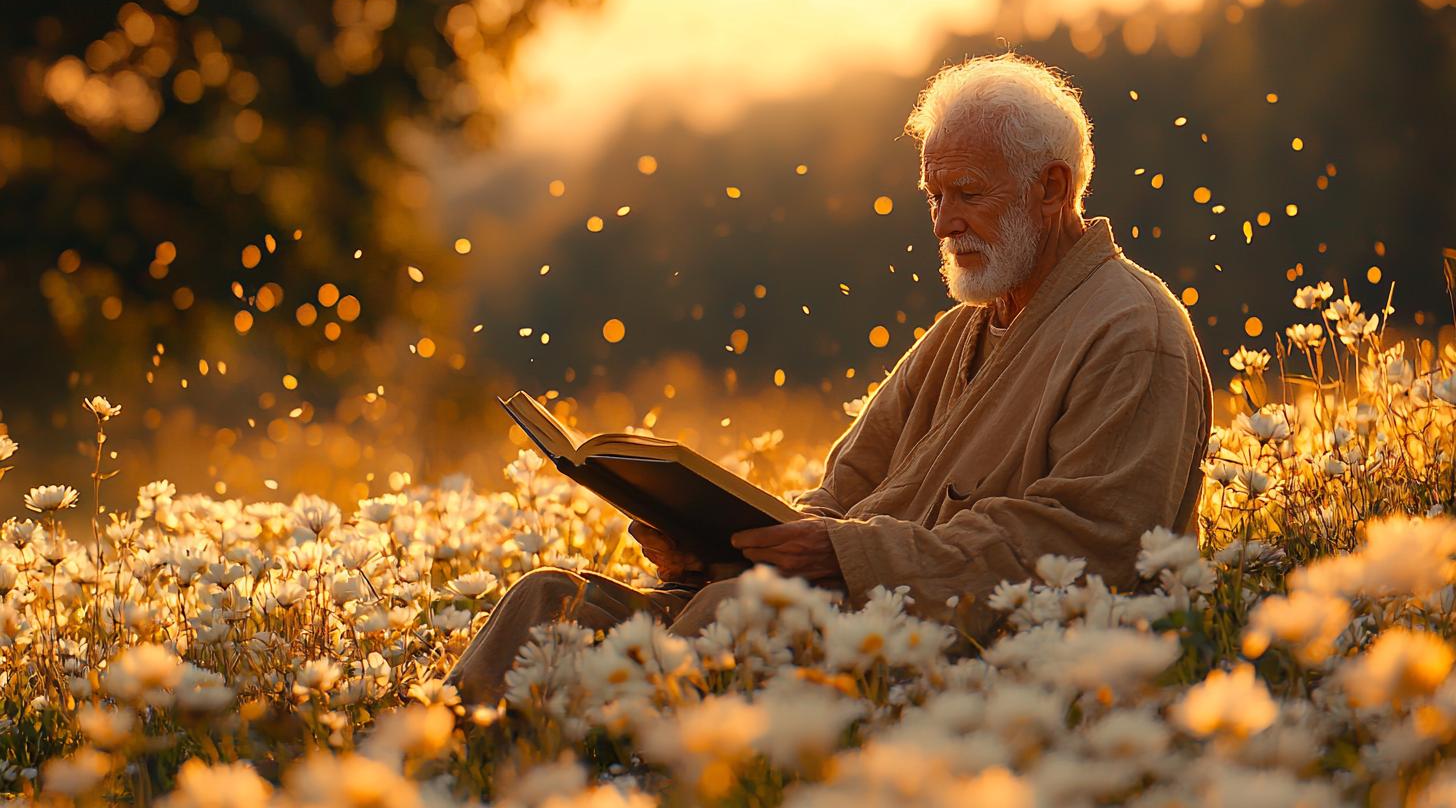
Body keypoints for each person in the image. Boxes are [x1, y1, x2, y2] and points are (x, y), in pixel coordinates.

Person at [446, 52, 1212, 705]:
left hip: (965, 659)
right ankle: (446, 773)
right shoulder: (960, 333)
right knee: (549, 603)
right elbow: (834, 499)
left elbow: (1095, 549)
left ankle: (629, 769)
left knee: (739, 615)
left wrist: (847, 557)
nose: (944, 222)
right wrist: (719, 544)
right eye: (934, 197)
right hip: (837, 604)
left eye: (968, 194)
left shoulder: (1131, 333)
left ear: (1051, 188)